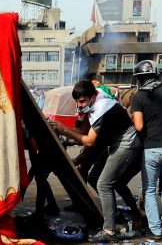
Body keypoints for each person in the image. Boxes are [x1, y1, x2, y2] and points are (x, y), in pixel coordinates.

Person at [50, 80, 141, 241]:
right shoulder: (94, 100)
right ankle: (115, 215)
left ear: (92, 97)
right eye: (77, 101)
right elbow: (82, 130)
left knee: (104, 184)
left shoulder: (101, 107)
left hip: (126, 142)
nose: (79, 105)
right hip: (113, 142)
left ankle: (110, 230)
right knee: (93, 178)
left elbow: (88, 140)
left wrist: (63, 129)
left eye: (82, 101)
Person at [130, 60, 162, 240]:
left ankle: (156, 230)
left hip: (152, 147)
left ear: (139, 78)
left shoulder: (138, 96)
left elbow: (138, 126)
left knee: (150, 189)